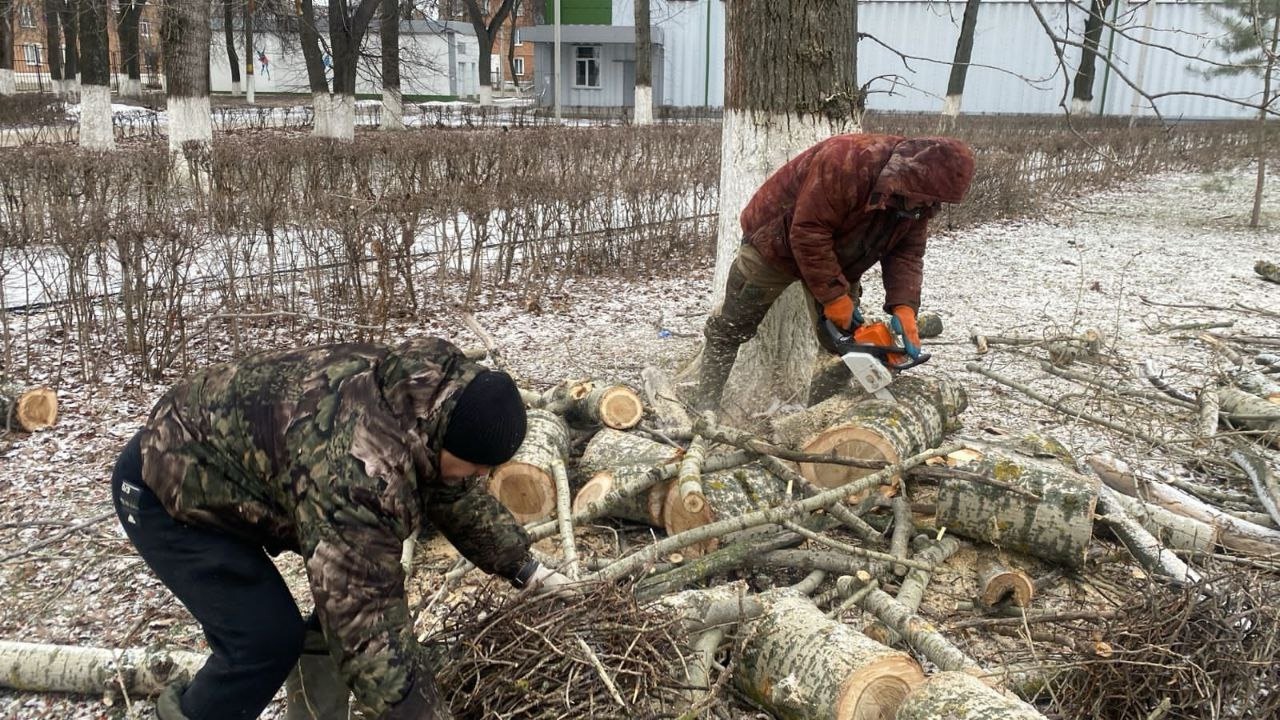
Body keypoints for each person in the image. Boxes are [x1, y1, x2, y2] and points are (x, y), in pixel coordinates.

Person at [110, 337, 572, 720]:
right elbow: (364, 620)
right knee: (262, 641)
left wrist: (525, 568)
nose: (476, 477)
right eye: (474, 466)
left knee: (335, 612)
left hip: (236, 470)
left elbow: (453, 492)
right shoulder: (363, 470)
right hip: (166, 484)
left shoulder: (429, 399)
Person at [694, 133, 976, 409]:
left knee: (847, 342)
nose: (927, 207)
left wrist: (904, 306)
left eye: (932, 202)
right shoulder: (846, 162)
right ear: (910, 178)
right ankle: (705, 402)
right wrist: (833, 297)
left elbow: (907, 253)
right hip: (774, 241)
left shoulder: (919, 203)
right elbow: (808, 232)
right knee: (733, 323)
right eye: (924, 200)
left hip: (840, 255)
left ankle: (817, 415)